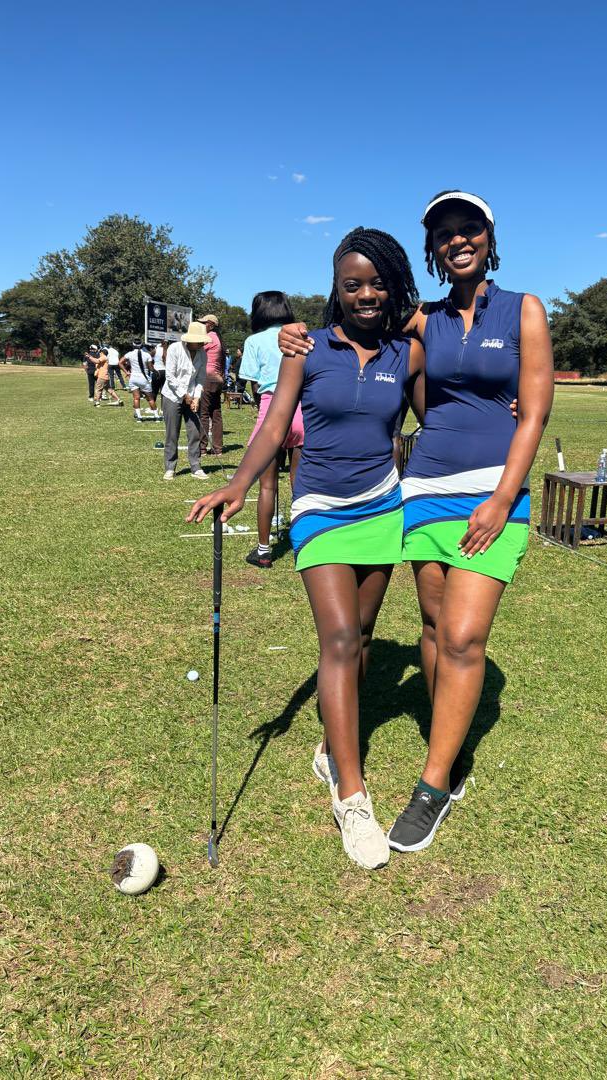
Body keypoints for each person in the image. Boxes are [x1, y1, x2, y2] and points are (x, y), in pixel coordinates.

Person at [280, 190, 553, 855]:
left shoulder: (525, 309)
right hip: (424, 490)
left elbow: (537, 414)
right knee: (432, 628)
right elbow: (348, 343)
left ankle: (436, 783)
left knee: (462, 635)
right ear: (433, 250)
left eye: (469, 230)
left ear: (489, 237)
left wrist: (502, 497)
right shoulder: (420, 322)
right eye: (445, 234)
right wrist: (286, 335)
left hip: (493, 494)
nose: (458, 241)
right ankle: (438, 744)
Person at [189, 228, 426, 870]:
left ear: (393, 286)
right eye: (353, 284)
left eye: (377, 282)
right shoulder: (306, 349)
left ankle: (331, 745)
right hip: (318, 504)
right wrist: (239, 485)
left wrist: (499, 410)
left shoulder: (409, 353)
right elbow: (273, 423)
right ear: (336, 289)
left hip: (382, 503)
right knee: (341, 639)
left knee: (367, 635)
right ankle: (351, 796)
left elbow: (438, 418)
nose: (366, 294)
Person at [239, 292, 305, 568]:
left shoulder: (253, 341)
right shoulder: (299, 335)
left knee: (268, 486)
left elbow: (253, 385)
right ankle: (304, 545)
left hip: (271, 409)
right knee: (300, 484)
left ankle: (264, 550)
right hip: (301, 410)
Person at [161, 323, 210, 480]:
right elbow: (170, 376)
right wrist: (184, 395)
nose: (203, 344)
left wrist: (196, 397)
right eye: (199, 341)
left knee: (195, 431)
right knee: (172, 433)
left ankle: (195, 467)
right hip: (172, 396)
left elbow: (201, 378)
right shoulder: (175, 349)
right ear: (190, 340)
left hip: (191, 397)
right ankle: (170, 467)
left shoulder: (202, 353)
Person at [197, 314, 225, 456]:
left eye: (204, 323)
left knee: (204, 413)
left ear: (211, 325)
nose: (201, 325)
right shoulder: (218, 339)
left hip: (207, 378)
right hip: (217, 378)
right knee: (216, 414)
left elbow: (195, 350)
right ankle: (218, 448)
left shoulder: (209, 338)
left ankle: (202, 448)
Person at [121, 340, 160, 420]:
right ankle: (156, 416)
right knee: (150, 398)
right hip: (144, 378)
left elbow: (120, 362)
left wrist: (126, 372)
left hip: (133, 378)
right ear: (142, 346)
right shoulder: (147, 355)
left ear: (133, 345)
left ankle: (139, 416)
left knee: (136, 398)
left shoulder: (129, 354)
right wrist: (156, 371)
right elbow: (150, 368)